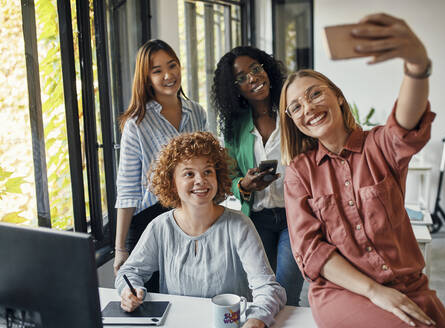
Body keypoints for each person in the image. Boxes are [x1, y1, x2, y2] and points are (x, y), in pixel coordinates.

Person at [279, 13, 445, 328]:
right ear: (293, 121)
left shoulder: (379, 147)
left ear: (339, 98)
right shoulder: (300, 173)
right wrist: (375, 292)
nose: (309, 108)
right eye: (296, 107)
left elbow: (406, 122)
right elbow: (311, 250)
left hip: (408, 284)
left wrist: (416, 65)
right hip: (343, 291)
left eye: (315, 94)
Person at [116, 132, 286, 328]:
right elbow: (129, 273)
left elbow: (268, 288)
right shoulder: (159, 227)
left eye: (207, 172)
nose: (201, 180)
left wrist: (256, 320)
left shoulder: (240, 225)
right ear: (172, 182)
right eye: (189, 174)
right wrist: (130, 291)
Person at [212, 46, 304, 306]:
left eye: (255, 68)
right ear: (235, 88)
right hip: (256, 219)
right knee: (261, 293)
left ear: (266, 68)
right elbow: (229, 176)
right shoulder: (234, 124)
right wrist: (244, 184)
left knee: (287, 293)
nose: (252, 78)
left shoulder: (291, 110)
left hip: (294, 217)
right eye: (241, 77)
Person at [114, 39, 207, 292]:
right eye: (157, 71)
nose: (168, 75)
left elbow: (206, 164)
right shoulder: (137, 123)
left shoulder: (197, 112)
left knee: (190, 291)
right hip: (149, 219)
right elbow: (127, 188)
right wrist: (121, 248)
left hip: (190, 215)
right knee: (149, 296)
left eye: (172, 65)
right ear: (146, 78)